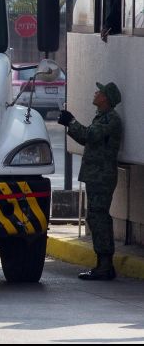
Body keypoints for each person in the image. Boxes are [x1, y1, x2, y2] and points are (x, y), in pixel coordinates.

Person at [58, 82, 123, 280]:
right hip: (96, 175)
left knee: (99, 217)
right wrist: (70, 123)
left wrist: (72, 122)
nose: (95, 93)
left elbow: (91, 135)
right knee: (95, 217)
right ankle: (102, 264)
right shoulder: (103, 117)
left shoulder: (111, 119)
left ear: (106, 98)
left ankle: (105, 266)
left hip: (102, 176)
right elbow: (88, 137)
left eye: (99, 91)